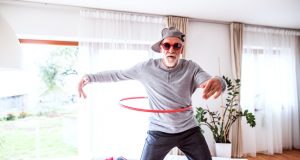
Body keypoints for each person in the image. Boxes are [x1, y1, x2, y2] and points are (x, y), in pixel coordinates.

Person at [78, 27, 226, 160]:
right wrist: (89, 78)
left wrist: (219, 82)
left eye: (176, 46)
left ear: (181, 49)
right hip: (159, 131)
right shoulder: (146, 68)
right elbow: (118, 74)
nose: (171, 49)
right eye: (167, 45)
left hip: (188, 130)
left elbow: (208, 81)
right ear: (161, 48)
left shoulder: (191, 68)